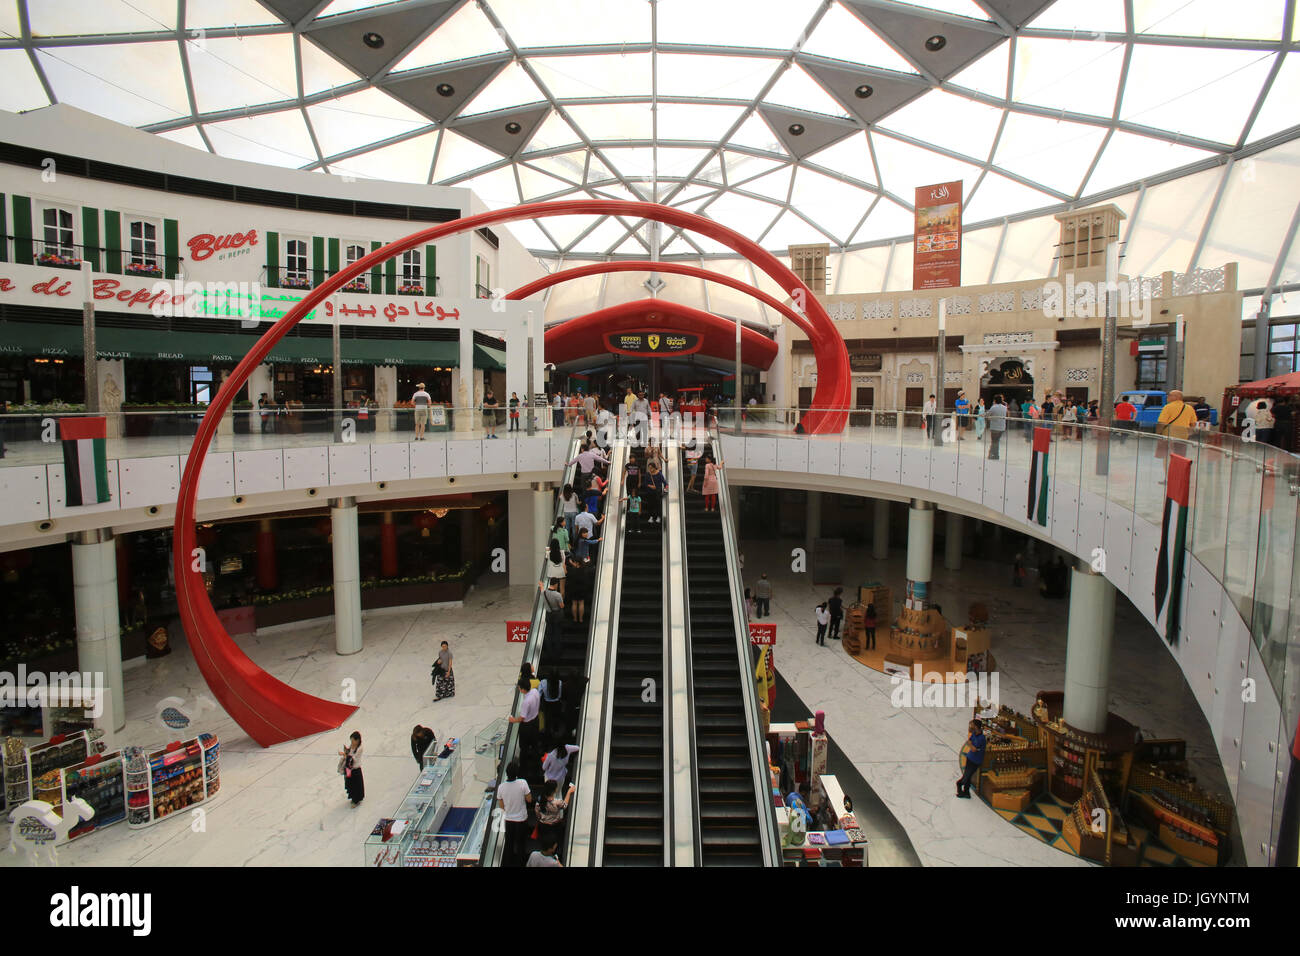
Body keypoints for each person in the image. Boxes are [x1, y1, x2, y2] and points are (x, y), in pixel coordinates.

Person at [497, 761, 533, 867]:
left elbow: (501, 806)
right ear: (517, 772)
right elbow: (529, 799)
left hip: (508, 820)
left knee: (509, 844)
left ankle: (508, 863)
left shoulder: (501, 787)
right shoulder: (522, 783)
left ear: (507, 773)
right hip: (521, 819)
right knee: (521, 844)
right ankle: (521, 863)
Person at [507, 677, 542, 763]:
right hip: (536, 721)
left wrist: (513, 720)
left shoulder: (526, 702)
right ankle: (537, 761)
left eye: (519, 687)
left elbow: (522, 717)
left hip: (527, 726)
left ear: (522, 689)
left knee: (524, 746)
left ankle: (524, 763)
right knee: (535, 743)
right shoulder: (535, 691)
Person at [956, 719, 986, 798]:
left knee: (966, 777)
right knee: (968, 776)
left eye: (971, 725)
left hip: (975, 761)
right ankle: (966, 792)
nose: (970, 727)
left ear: (976, 727)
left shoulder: (981, 738)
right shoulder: (974, 734)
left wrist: (971, 745)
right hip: (970, 758)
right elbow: (970, 743)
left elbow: (973, 748)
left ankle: (959, 786)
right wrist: (971, 745)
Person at [338, 731, 364, 807]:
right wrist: (345, 752)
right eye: (351, 741)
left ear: (357, 740)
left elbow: (354, 758)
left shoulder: (360, 748)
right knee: (350, 785)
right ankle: (353, 798)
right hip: (349, 769)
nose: (352, 742)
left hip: (355, 769)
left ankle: (356, 800)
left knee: (356, 786)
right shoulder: (352, 746)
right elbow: (349, 753)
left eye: (353, 741)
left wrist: (346, 755)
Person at [642, 460, 666, 526]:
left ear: (654, 467)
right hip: (649, 492)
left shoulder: (659, 474)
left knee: (658, 505)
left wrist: (664, 490)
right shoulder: (648, 474)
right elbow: (645, 483)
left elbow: (665, 482)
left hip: (657, 492)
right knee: (650, 505)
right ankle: (651, 516)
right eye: (649, 468)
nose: (650, 469)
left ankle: (658, 517)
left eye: (651, 468)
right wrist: (650, 486)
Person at [986, 393, 1007, 460]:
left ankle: (993, 454)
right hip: (1002, 427)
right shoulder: (1004, 407)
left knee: (994, 441)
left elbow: (987, 414)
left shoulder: (994, 407)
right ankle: (995, 454)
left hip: (995, 427)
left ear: (995, 400)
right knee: (996, 441)